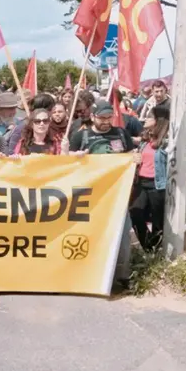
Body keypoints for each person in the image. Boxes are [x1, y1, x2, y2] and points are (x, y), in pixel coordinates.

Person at [67, 101, 135, 288]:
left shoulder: (121, 134)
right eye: (102, 118)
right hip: (89, 197)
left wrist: (134, 158)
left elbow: (131, 156)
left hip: (117, 195)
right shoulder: (80, 136)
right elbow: (67, 164)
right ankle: (83, 275)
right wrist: (76, 158)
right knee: (88, 235)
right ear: (92, 117)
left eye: (109, 117)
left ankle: (122, 277)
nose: (106, 122)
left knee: (123, 237)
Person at [130, 106, 170, 252]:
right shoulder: (145, 140)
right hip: (141, 182)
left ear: (158, 120)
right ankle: (148, 246)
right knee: (135, 212)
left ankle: (155, 250)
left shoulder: (166, 142)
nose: (145, 119)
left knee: (157, 220)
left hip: (157, 185)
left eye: (149, 117)